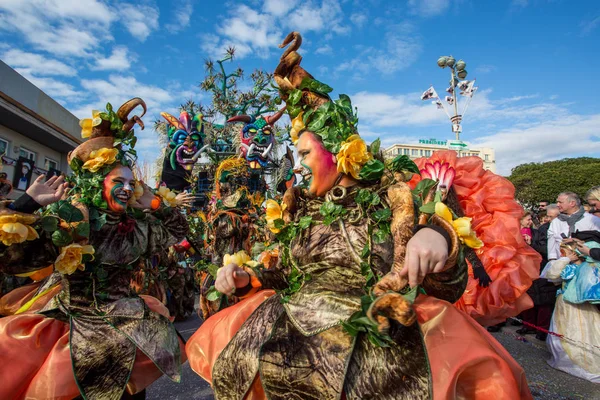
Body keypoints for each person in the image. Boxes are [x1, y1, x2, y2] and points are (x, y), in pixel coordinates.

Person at [186, 32, 531, 400]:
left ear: (336, 151)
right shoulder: (302, 210)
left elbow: (446, 288)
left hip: (375, 341)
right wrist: (248, 276)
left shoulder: (395, 198)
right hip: (293, 335)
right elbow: (288, 273)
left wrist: (439, 239)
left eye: (304, 154)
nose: (298, 167)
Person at [0, 98, 188, 400]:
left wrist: (156, 203)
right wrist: (29, 203)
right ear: (98, 183)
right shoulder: (72, 220)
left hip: (126, 325)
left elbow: (179, 232)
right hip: (71, 329)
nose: (127, 188)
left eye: (131, 182)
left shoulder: (138, 226)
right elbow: (12, 260)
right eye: (118, 181)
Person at [542, 240, 600, 383]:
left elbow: (552, 274)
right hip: (573, 304)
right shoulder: (584, 266)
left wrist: (566, 260)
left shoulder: (575, 268)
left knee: (575, 330)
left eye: (565, 252)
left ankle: (576, 360)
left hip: (569, 304)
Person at [518, 208, 560, 340]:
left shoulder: (538, 233)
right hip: (521, 269)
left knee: (543, 299)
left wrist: (532, 245)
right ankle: (528, 325)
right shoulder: (512, 233)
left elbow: (546, 249)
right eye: (528, 219)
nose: (530, 222)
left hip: (538, 269)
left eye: (531, 219)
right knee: (526, 298)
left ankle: (541, 328)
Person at [547, 192, 600, 261]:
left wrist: (578, 242)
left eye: (560, 202)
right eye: (557, 202)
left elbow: (597, 242)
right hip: (563, 264)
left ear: (572, 203)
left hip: (587, 263)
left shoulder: (592, 220)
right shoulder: (556, 222)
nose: (557, 205)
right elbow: (552, 244)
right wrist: (552, 261)